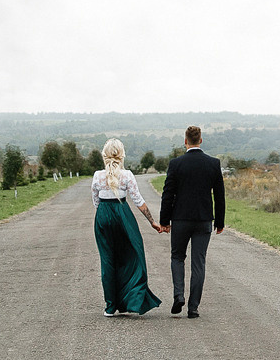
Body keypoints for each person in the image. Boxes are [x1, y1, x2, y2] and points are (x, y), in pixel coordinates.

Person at [157, 125, 225, 318]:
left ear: (185, 141)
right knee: (198, 262)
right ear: (200, 141)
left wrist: (164, 220)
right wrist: (219, 222)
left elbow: (167, 194)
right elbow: (219, 196)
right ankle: (193, 307)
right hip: (203, 220)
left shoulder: (176, 164)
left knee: (177, 257)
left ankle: (179, 295)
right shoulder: (213, 163)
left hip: (180, 219)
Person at [89, 139, 162, 317]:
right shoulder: (127, 175)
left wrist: (104, 216)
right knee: (132, 253)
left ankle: (110, 306)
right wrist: (152, 221)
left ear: (104, 155)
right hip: (122, 212)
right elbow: (138, 200)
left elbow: (95, 201)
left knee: (107, 260)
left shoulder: (98, 175)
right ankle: (131, 298)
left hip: (103, 214)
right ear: (121, 155)